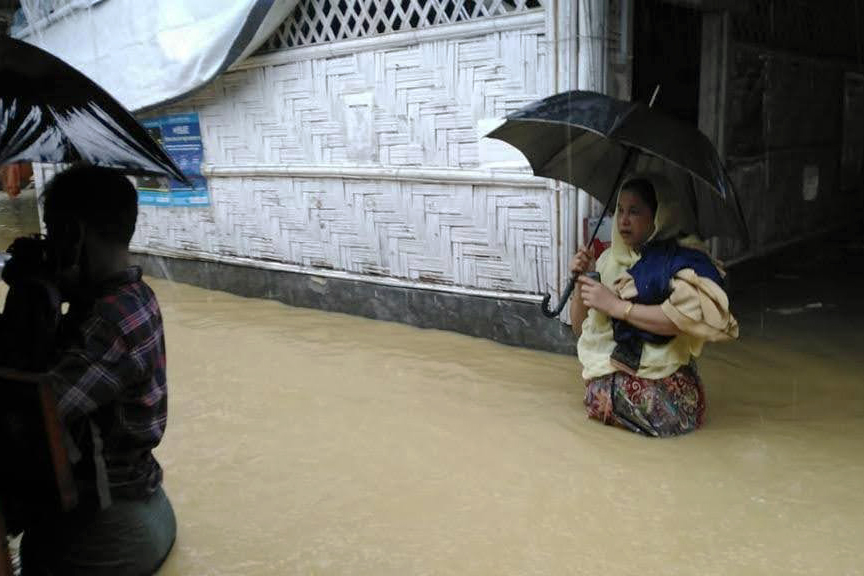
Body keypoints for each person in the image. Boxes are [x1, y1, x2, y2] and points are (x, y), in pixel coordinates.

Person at [13, 164, 176, 575]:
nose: (47, 244)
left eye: (52, 232)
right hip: (146, 502)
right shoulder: (136, 296)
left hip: (107, 532)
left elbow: (28, 413)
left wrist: (30, 296)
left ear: (73, 235)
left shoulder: (107, 321)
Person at [569, 175, 738, 437]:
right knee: (601, 393)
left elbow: (678, 320)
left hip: (669, 379)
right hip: (621, 373)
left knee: (664, 410)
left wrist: (617, 306)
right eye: (620, 211)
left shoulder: (683, 262)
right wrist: (581, 281)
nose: (623, 220)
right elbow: (581, 329)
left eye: (635, 211)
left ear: (659, 216)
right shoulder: (606, 261)